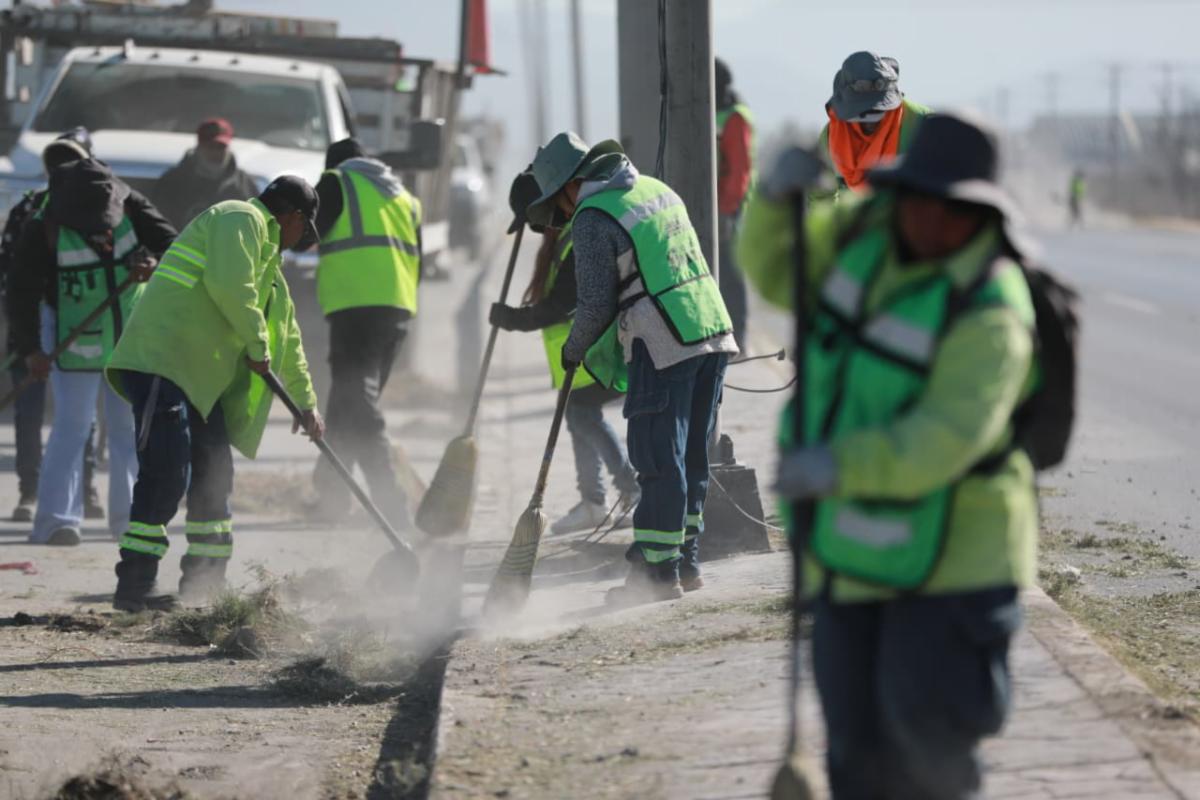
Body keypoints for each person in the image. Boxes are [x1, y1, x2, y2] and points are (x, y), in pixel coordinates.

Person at [739, 113, 1038, 799]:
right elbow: (780, 273)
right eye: (920, 201)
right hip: (850, 554)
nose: (933, 222)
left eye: (956, 211)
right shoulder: (863, 238)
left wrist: (838, 466)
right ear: (899, 193)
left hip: (954, 569)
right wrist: (775, 204)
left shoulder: (992, 304)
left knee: (928, 754)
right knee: (856, 754)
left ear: (983, 215)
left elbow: (943, 437)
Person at [524, 132, 739, 604]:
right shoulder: (655, 190)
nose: (561, 214)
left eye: (557, 203)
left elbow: (595, 304)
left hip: (663, 341)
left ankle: (656, 577)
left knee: (659, 458)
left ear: (569, 186)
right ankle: (685, 563)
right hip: (712, 329)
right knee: (691, 458)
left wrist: (573, 350)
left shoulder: (592, 216)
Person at [106, 175, 324, 611]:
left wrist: (307, 405)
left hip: (201, 382)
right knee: (167, 472)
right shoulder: (238, 218)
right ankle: (134, 586)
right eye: (304, 228)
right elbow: (230, 287)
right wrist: (257, 347)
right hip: (163, 361)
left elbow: (288, 340)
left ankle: (205, 585)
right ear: (293, 217)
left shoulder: (271, 271)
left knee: (215, 476)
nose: (300, 239)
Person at [8, 158, 176, 547]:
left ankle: (129, 521)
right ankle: (57, 522)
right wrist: (31, 350)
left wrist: (154, 265)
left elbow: (176, 247)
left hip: (128, 338)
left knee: (127, 429)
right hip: (73, 341)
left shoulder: (133, 205)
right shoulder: (43, 226)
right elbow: (21, 292)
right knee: (72, 426)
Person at [489, 169, 639, 535]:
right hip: (579, 354)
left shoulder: (577, 237)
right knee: (577, 418)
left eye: (533, 220)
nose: (534, 228)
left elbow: (562, 305)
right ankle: (594, 502)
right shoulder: (562, 238)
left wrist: (513, 319)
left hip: (596, 349)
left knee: (583, 417)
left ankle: (631, 489)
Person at [311, 138, 420, 528]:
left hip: (355, 305)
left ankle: (391, 504)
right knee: (348, 400)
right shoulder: (402, 196)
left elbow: (308, 233)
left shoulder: (336, 180)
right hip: (397, 309)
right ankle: (331, 491)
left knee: (357, 403)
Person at [0, 128, 104, 522]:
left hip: (83, 327)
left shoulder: (103, 211)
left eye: (73, 160)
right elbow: (8, 273)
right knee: (29, 412)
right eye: (58, 161)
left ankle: (85, 487)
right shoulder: (28, 208)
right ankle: (30, 491)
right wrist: (23, 337)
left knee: (80, 414)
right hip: (30, 328)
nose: (64, 168)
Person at [817, 51, 930, 198]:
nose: (870, 121)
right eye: (862, 112)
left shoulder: (924, 125)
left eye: (877, 111)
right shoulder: (830, 137)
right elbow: (820, 198)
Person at [152, 118, 258, 230]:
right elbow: (158, 225)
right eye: (210, 146)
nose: (215, 153)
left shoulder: (244, 184)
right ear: (198, 147)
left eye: (221, 147)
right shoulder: (172, 182)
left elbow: (257, 224)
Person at [715, 57, 755, 351]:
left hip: (730, 208)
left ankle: (738, 336)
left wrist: (727, 210)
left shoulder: (735, 117)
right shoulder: (714, 112)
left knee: (730, 273)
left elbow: (740, 169)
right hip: (717, 205)